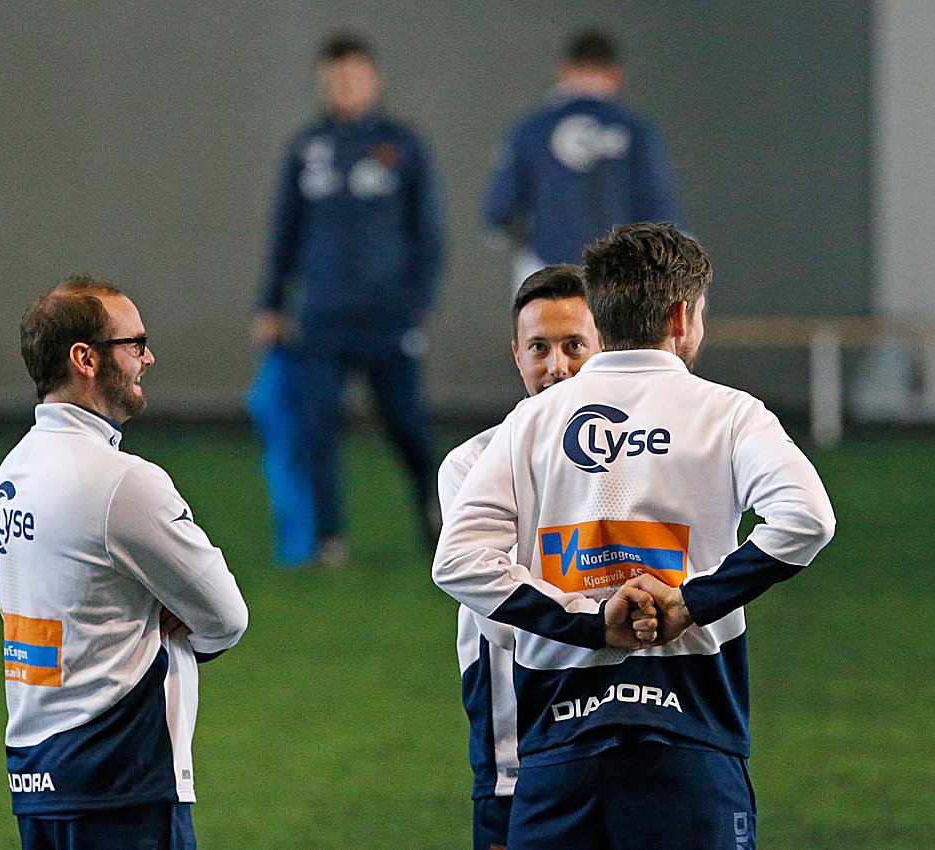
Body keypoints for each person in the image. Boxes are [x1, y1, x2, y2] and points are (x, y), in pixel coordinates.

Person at [433, 223, 836, 849]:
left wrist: (595, 624)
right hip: (692, 728)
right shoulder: (729, 412)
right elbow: (807, 519)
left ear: (602, 315)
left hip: (558, 741)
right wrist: (690, 602)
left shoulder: (528, 423)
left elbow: (459, 562)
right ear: (681, 316)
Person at [0, 275, 249, 849]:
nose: (147, 358)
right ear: (85, 359)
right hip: (123, 780)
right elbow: (227, 617)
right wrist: (172, 628)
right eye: (134, 343)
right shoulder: (125, 482)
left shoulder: (16, 468)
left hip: (38, 776)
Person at [256, 33, 446, 566]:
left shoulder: (402, 145)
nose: (344, 86)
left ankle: (438, 519)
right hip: (321, 315)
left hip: (388, 316)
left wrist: (418, 303)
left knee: (406, 424)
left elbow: (428, 233)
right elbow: (285, 230)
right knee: (316, 425)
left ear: (373, 79)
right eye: (335, 78)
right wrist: (271, 303)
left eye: (353, 76)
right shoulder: (308, 147)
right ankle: (328, 539)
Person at [438, 265, 601, 850]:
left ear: (605, 347)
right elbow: (503, 615)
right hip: (518, 744)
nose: (557, 366)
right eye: (539, 348)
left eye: (574, 345)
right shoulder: (470, 464)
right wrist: (608, 616)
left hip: (625, 727)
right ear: (517, 355)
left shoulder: (638, 456)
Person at [483, 28, 682, 289]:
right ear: (614, 75)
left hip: (546, 264)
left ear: (563, 70)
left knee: (543, 315)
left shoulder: (533, 128)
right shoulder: (633, 129)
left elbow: (501, 207)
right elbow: (656, 201)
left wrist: (509, 229)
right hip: (621, 270)